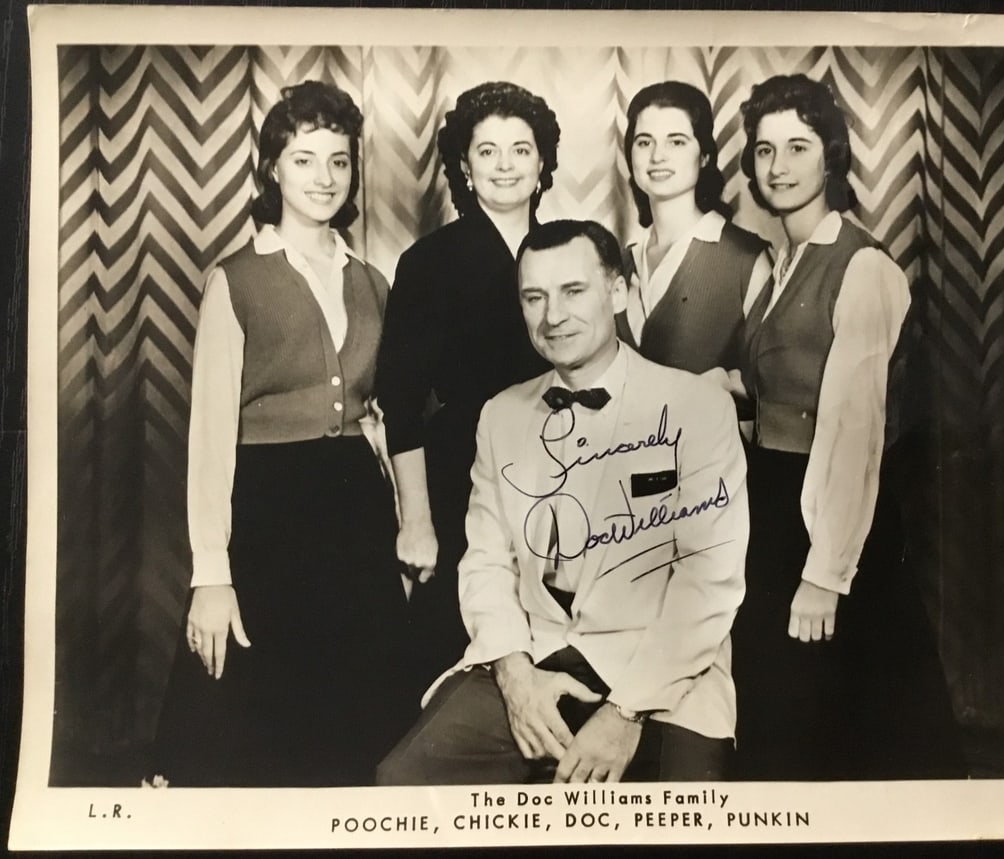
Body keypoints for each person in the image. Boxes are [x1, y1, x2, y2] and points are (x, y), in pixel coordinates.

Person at [377, 219, 749, 786]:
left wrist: (624, 714)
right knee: (403, 782)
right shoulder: (500, 415)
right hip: (534, 656)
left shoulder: (696, 407)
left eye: (573, 292)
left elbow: (709, 584)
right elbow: (485, 564)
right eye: (535, 297)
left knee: (680, 824)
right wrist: (515, 677)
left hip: (665, 677)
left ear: (618, 292)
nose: (553, 316)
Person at [150, 81, 414, 786]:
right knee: (251, 735)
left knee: (354, 733)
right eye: (304, 160)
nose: (324, 178)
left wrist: (400, 525)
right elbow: (209, 437)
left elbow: (379, 420)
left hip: (354, 516)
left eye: (338, 161)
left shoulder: (373, 281)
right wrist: (212, 572)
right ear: (272, 169)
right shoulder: (234, 281)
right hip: (269, 518)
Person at [732, 73, 964, 780]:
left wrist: (828, 573)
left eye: (798, 147)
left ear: (830, 156)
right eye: (765, 150)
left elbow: (853, 429)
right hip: (773, 502)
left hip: (833, 512)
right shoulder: (775, 263)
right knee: (784, 709)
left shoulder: (863, 267)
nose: (779, 166)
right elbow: (774, 381)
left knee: (856, 722)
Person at [375, 82, 560, 701]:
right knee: (457, 662)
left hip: (564, 469)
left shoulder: (568, 253)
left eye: (520, 150)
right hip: (464, 480)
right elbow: (399, 404)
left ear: (542, 166)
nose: (505, 165)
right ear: (463, 166)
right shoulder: (428, 262)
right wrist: (418, 522)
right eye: (487, 151)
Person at [616, 81, 766, 386]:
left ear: (705, 157)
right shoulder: (622, 261)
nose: (657, 156)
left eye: (677, 141)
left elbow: (772, 383)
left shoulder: (746, 259)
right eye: (644, 142)